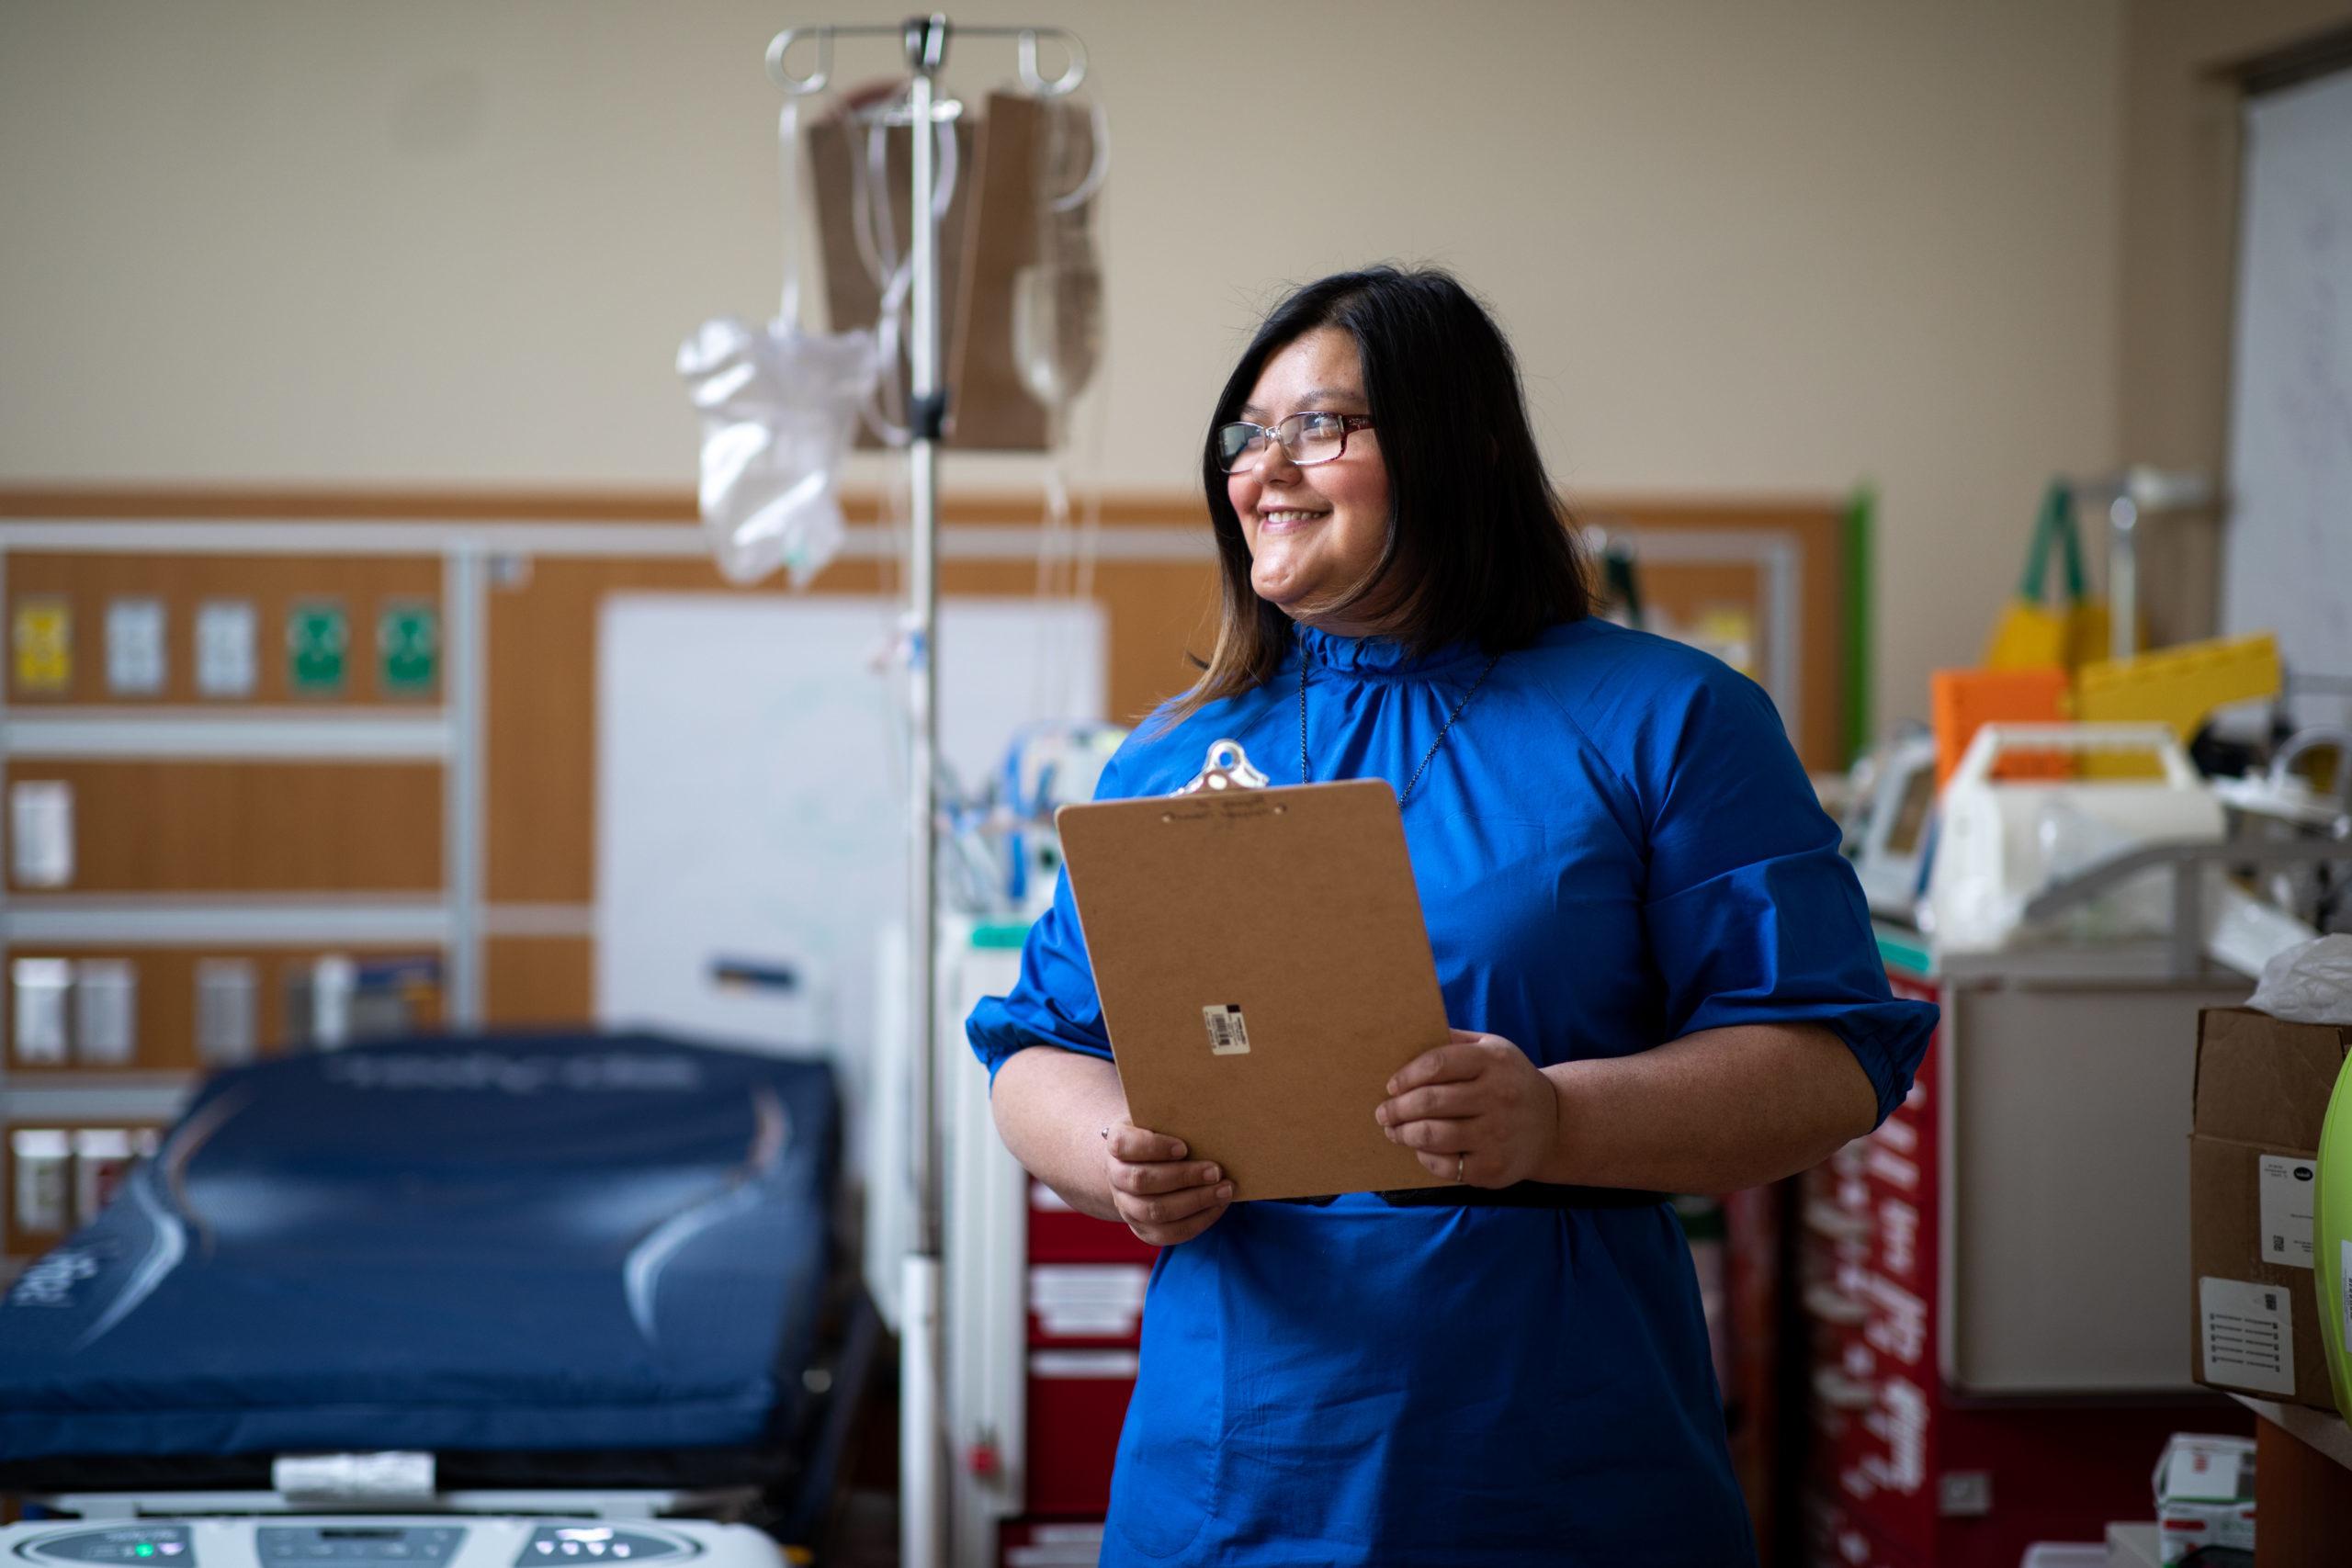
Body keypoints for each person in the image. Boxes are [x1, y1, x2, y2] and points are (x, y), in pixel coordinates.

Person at [967, 266, 1938, 1565]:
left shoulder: (1668, 720)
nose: (1266, 467)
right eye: (1247, 434)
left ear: (1463, 446)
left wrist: (1554, 1115)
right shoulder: (1174, 757)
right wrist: (1112, 1154)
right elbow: (1039, 1048)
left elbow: (1825, 1062)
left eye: (1323, 425)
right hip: (1239, 1454)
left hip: (1553, 1445)